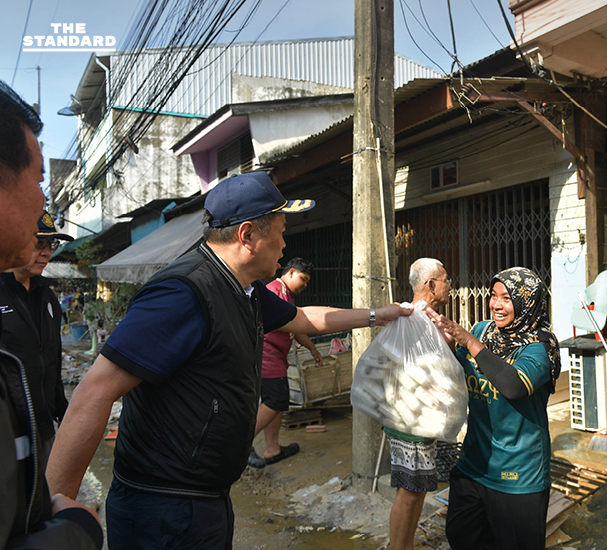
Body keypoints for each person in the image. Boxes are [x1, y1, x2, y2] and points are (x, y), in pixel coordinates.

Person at [46, 171, 411, 549]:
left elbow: (303, 318)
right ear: (248, 235)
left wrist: (378, 315)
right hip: (163, 509)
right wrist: (58, 515)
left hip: (206, 500)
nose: (285, 245)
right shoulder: (183, 292)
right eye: (281, 232)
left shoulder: (245, 289)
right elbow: (95, 391)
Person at [0, 81, 102, 548]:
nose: (43, 197)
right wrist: (76, 534)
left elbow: (47, 366)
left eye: (50, 245)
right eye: (39, 178)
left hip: (36, 431)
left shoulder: (46, 297)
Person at [427, 267, 560, 550]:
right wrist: (446, 343)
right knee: (461, 536)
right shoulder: (483, 331)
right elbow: (458, 369)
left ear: (527, 303)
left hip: (517, 473)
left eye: (507, 298)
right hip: (474, 463)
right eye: (493, 295)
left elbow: (513, 386)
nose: (496, 305)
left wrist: (469, 342)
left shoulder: (539, 347)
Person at [387, 257, 452, 550]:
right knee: (410, 491)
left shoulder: (426, 319)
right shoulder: (411, 318)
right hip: (410, 419)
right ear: (431, 285)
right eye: (446, 280)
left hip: (422, 417)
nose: (450, 286)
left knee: (419, 488)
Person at [0, 211, 73, 460]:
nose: (46, 252)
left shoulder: (48, 296)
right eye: (39, 243)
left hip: (44, 429)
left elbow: (52, 361)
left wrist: (62, 410)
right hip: (7, 433)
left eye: (51, 244)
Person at [248, 257, 322, 468]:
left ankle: (272, 449)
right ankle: (242, 443)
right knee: (277, 399)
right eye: (303, 279)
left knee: (275, 402)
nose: (305, 285)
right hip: (267, 355)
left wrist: (312, 347)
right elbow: (296, 323)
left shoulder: (286, 295)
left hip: (276, 357)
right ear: (290, 273)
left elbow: (294, 327)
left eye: (307, 281)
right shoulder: (275, 291)